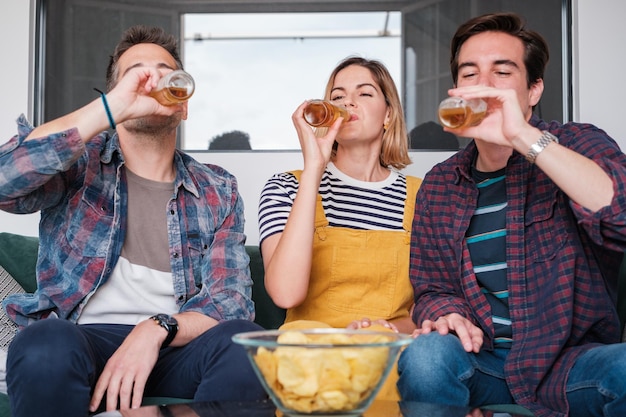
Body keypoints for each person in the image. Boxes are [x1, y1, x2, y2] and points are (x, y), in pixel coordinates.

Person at [0, 25, 266, 417]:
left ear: (183, 102)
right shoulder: (80, 163)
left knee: (248, 343)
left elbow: (230, 304)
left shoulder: (217, 187)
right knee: (42, 344)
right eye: (136, 74)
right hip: (80, 342)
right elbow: (6, 180)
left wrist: (155, 328)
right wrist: (109, 110)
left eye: (164, 70)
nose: (152, 80)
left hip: (175, 346)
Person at [396, 12, 626, 417]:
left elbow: (619, 215)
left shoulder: (576, 143)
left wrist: (522, 136)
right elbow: (431, 288)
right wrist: (444, 314)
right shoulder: (439, 183)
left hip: (570, 364)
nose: (483, 84)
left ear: (534, 89)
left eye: (502, 72)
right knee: (427, 355)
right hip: (481, 360)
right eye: (470, 73)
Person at [257, 56, 422, 400]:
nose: (348, 102)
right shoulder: (286, 186)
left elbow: (429, 305)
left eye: (365, 94)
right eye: (337, 96)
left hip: (390, 348)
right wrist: (313, 169)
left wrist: (387, 330)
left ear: (389, 115)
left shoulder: (423, 197)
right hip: (311, 354)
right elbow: (286, 294)